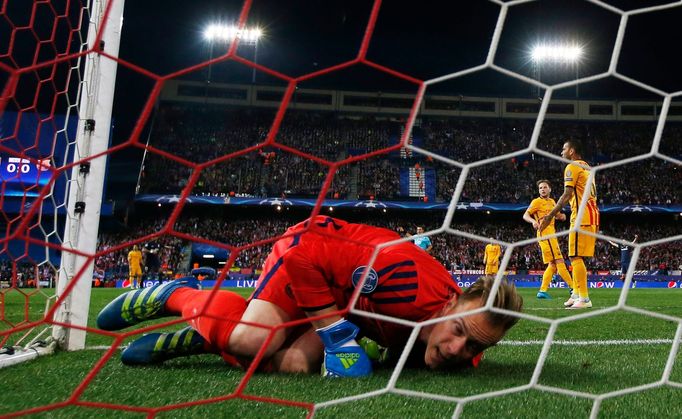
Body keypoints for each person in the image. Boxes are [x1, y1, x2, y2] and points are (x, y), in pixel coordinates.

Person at [98, 216, 523, 377]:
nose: (456, 349)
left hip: (344, 301)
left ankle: (204, 334)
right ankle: (179, 297)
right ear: (450, 305)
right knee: (251, 341)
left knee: (297, 364)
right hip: (309, 252)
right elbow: (305, 257)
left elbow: (456, 344)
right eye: (458, 331)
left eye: (475, 346)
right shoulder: (405, 283)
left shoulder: (468, 343)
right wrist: (335, 337)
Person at [538, 140, 600, 309]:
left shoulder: (572, 166)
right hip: (591, 215)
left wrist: (550, 216)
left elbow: (567, 195)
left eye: (564, 148)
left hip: (581, 216)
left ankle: (584, 299)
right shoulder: (587, 168)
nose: (561, 151)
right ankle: (576, 294)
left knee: (575, 256)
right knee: (575, 255)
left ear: (572, 151)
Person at [523, 180, 575, 302]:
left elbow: (559, 215)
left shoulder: (552, 202)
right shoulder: (536, 202)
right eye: (540, 188)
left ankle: (542, 291)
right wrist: (533, 221)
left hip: (552, 234)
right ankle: (573, 287)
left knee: (552, 264)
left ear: (549, 189)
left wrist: (562, 216)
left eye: (545, 187)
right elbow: (525, 215)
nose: (542, 189)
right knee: (559, 261)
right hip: (545, 234)